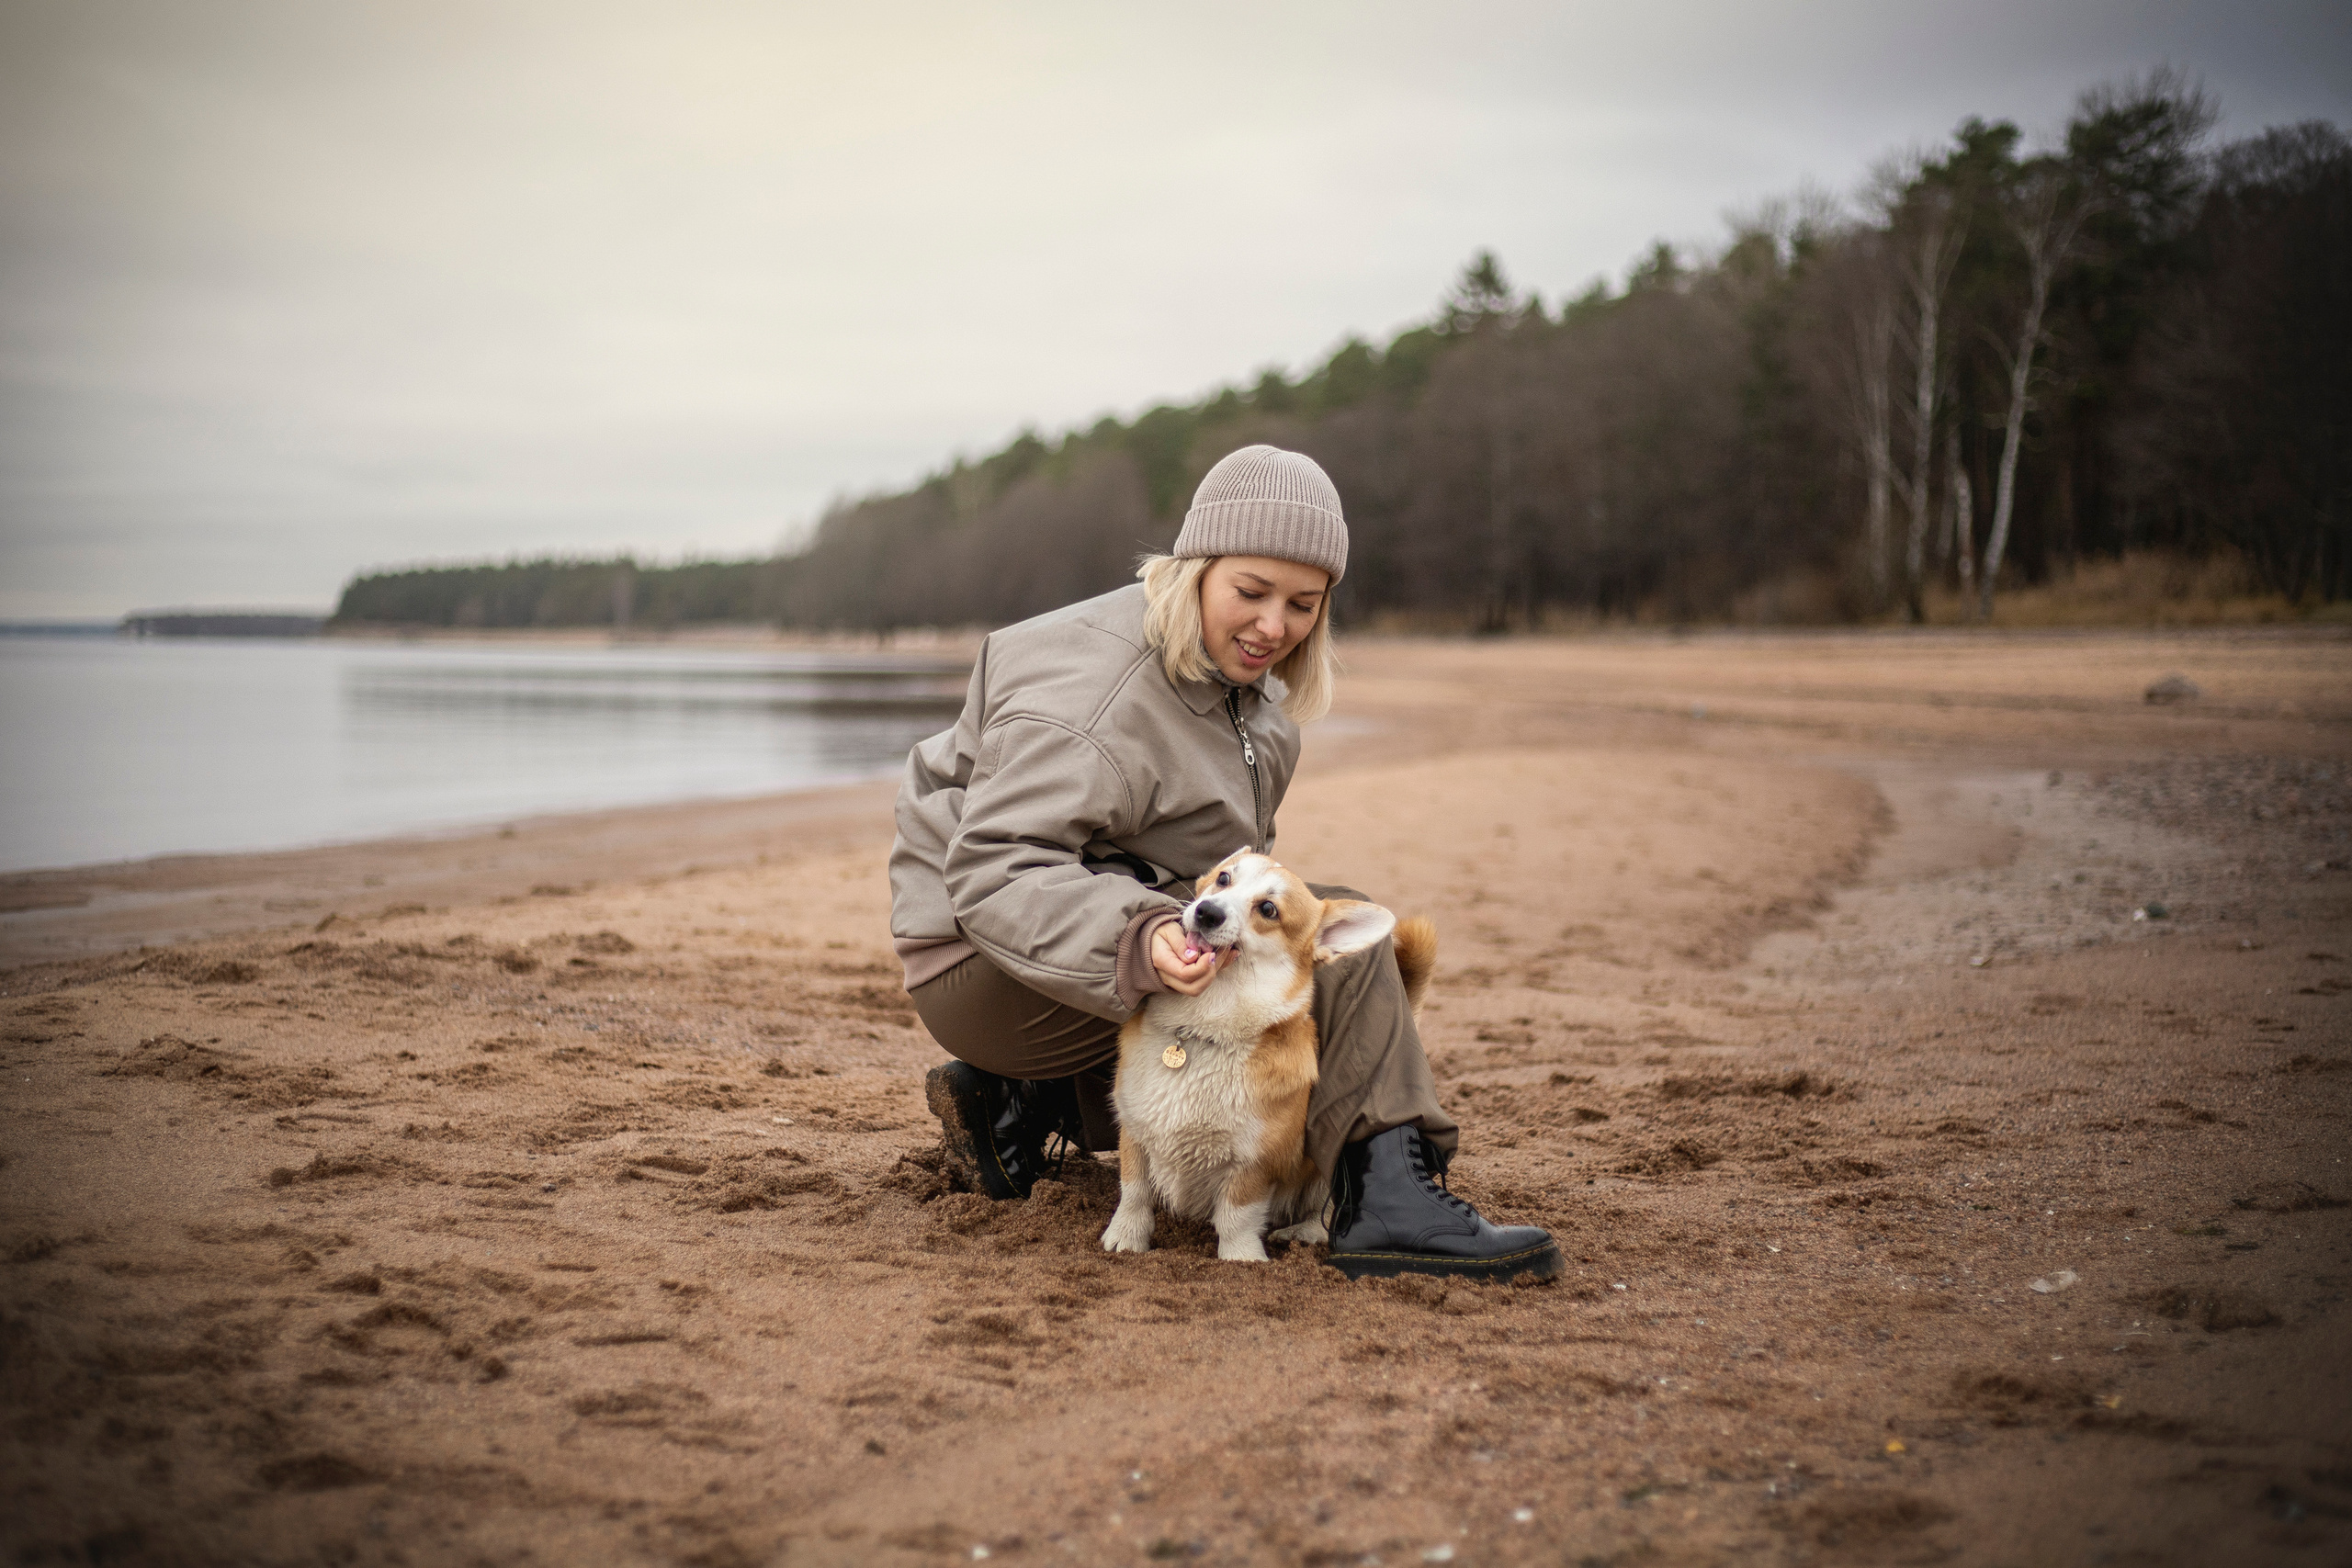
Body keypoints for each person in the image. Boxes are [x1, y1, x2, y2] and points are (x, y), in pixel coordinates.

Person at [888, 445, 1560, 1280]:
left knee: (1278, 972)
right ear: (1194, 569)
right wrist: (1139, 937)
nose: (1275, 625)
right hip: (979, 961)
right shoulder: (1093, 698)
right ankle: (1391, 1200)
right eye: (1251, 591)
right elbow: (994, 869)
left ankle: (1021, 1105)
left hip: (1090, 936)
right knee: (1337, 948)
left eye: (1304, 603)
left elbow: (1222, 879)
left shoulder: (1259, 709)